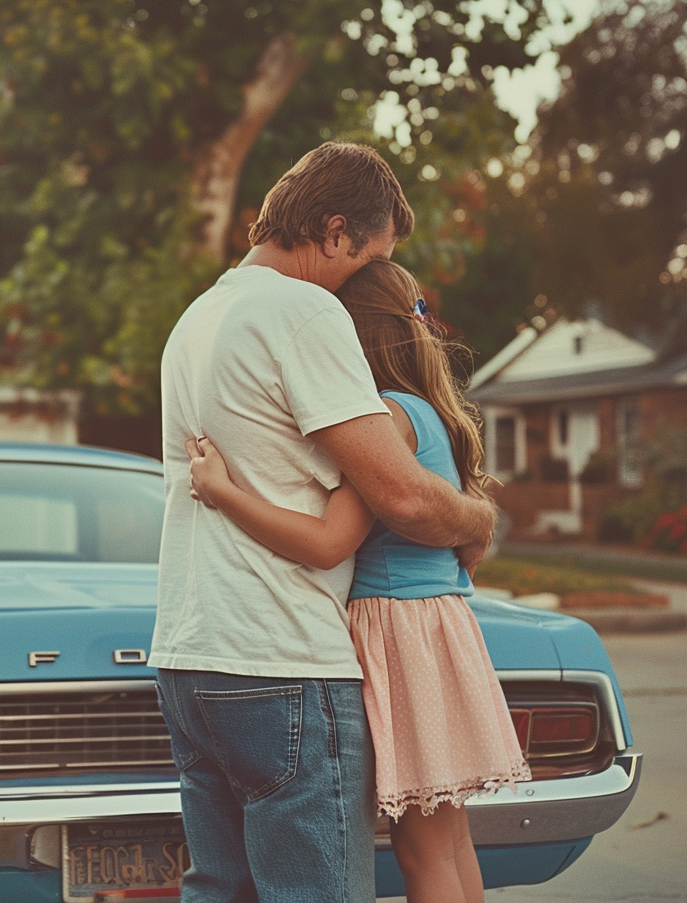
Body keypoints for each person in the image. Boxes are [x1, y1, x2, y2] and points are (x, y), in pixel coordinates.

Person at [150, 141, 496, 903]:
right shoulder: (303, 309)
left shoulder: (198, 316)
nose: (357, 282)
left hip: (189, 652)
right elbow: (401, 496)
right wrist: (475, 520)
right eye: (365, 255)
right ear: (335, 232)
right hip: (280, 658)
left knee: (223, 889)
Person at [185, 259, 531, 903]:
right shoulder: (432, 413)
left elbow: (326, 543)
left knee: (420, 850)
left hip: (396, 629)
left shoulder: (383, 418)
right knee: (450, 841)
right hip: (440, 624)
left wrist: (222, 492)